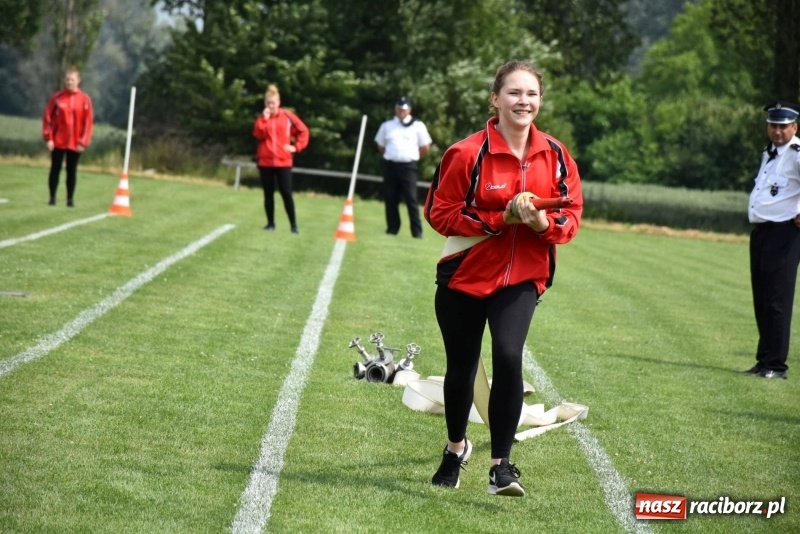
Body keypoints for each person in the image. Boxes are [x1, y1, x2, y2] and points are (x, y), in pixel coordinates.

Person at [423, 60, 582, 496]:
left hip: (523, 277)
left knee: (509, 356)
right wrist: (499, 218)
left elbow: (570, 216)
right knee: (461, 367)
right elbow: (439, 213)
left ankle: (502, 466)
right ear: (495, 99)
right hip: (464, 275)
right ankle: (456, 449)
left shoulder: (557, 155)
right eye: (514, 92)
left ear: (540, 100)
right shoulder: (465, 153)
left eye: (531, 94)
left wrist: (541, 225)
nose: (523, 101)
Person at [742, 101, 800, 380]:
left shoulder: (797, 153)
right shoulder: (770, 152)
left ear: (794, 127)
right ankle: (764, 359)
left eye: (783, 126)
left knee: (777, 300)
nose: (777, 131)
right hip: (763, 232)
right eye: (773, 125)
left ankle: (776, 365)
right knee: (762, 298)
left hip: (784, 233)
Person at [252, 84, 310, 233]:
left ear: (278, 102)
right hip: (265, 162)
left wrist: (296, 147)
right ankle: (270, 223)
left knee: (286, 193)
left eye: (273, 103)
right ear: (265, 103)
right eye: (268, 103)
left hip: (283, 161)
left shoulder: (287, 116)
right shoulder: (261, 119)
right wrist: (264, 120)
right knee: (268, 193)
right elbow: (258, 135)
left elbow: (304, 131)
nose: (270, 106)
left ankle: (293, 225)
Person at [375, 97, 432, 238]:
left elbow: (425, 146)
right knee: (390, 198)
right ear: (395, 109)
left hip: (408, 166)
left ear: (409, 110)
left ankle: (417, 232)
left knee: (411, 198)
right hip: (390, 165)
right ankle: (392, 229)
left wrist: (413, 157)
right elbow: (381, 146)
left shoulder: (417, 125)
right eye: (399, 109)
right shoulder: (387, 125)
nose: (401, 111)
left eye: (404, 109)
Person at [42, 66, 94, 207]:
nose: (69, 82)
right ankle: (52, 198)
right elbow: (48, 118)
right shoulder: (57, 98)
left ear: (78, 80)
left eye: (72, 80)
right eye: (67, 80)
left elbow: (88, 122)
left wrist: (83, 142)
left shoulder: (85, 99)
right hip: (58, 141)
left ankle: (70, 199)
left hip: (75, 143)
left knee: (71, 170)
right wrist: (49, 138)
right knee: (55, 168)